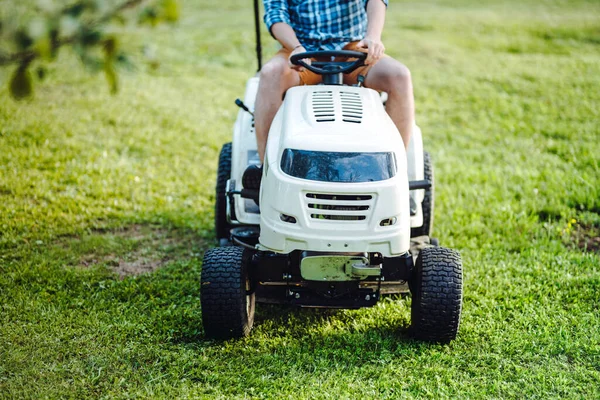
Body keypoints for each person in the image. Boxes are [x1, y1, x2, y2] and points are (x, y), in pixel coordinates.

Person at [243, 0, 415, 189]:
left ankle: (397, 179)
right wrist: (296, 47)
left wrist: (373, 36)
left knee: (399, 76)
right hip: (303, 50)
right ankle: (266, 176)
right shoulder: (298, 47)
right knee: (270, 73)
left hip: (353, 49)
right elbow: (276, 14)